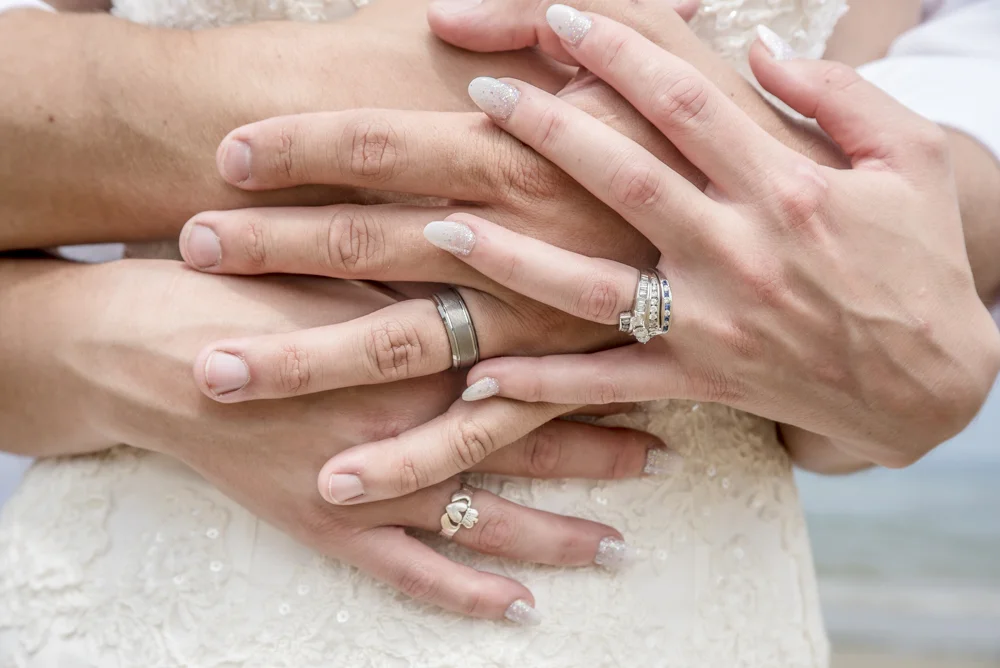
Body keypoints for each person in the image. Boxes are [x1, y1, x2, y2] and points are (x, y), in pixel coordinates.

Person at [0, 2, 997, 668]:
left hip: (685, 606)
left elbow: (862, 377)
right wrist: (113, 341)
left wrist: (871, 350)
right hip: (151, 591)